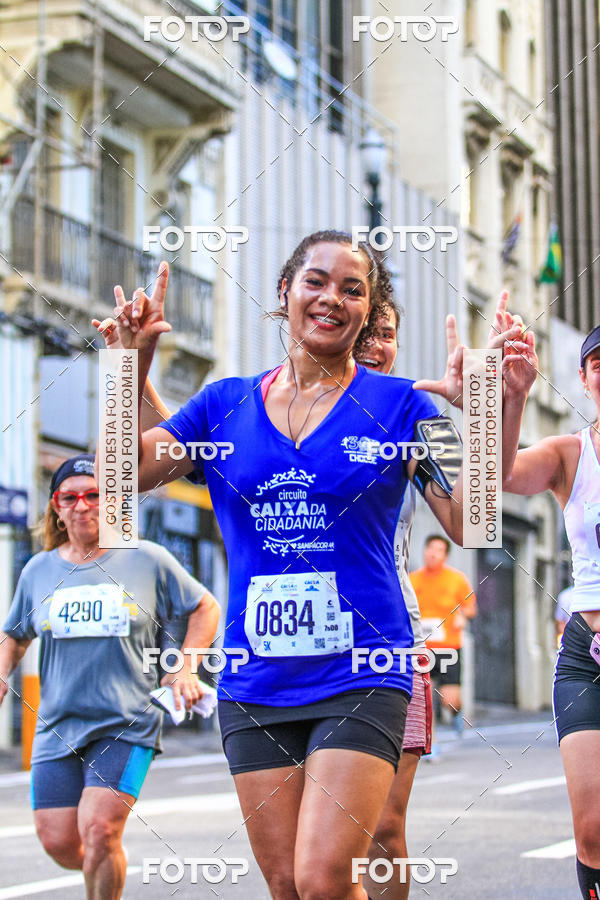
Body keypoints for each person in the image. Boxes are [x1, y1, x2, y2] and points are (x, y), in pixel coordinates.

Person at [109, 231, 524, 900]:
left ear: (366, 311)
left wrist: (492, 407)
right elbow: (121, 472)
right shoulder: (225, 404)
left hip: (364, 668)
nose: (333, 297)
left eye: (353, 289)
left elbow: (471, 520)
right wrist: (129, 365)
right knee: (286, 887)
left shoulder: (405, 406)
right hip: (254, 679)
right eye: (317, 281)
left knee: (325, 879)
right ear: (286, 292)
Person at [0, 454, 219, 900]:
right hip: (56, 726)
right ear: (57, 508)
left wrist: (184, 666)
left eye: (94, 494)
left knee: (99, 829)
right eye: (70, 497)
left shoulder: (148, 559)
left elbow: (205, 607)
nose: (82, 505)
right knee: (60, 840)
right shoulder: (38, 571)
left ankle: (104, 866)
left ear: (112, 503)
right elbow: (14, 634)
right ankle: (105, 866)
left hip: (126, 723)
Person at [501, 319, 600, 900]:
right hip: (586, 657)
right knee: (591, 831)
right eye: (599, 366)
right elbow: (499, 478)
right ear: (586, 379)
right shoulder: (571, 454)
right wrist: (511, 398)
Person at [409, 534, 476, 739]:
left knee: (449, 700)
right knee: (424, 699)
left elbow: (470, 608)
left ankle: (456, 712)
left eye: (438, 550)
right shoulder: (412, 580)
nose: (433, 554)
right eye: (430, 549)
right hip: (421, 648)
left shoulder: (456, 580)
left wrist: (463, 617)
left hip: (449, 648)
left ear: (445, 555)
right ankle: (431, 744)